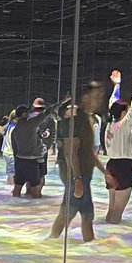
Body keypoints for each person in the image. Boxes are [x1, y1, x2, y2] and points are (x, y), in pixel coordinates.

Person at [49, 80, 106, 243]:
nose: (100, 99)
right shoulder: (74, 117)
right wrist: (77, 179)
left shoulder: (89, 118)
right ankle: (51, 244)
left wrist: (106, 172)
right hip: (75, 175)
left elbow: (87, 151)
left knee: (85, 215)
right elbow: (70, 151)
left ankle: (87, 250)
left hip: (82, 175)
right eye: (97, 95)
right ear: (85, 97)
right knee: (70, 212)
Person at [103, 66, 132, 223]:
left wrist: (117, 85)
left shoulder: (111, 125)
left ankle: (104, 238)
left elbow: (112, 102)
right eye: (126, 111)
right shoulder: (123, 125)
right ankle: (109, 243)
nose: (129, 113)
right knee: (117, 213)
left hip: (112, 166)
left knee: (111, 210)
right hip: (123, 167)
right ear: (123, 113)